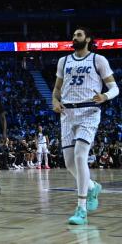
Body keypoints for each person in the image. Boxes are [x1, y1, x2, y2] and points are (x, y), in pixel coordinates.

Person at [52, 27, 117, 225]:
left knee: (81, 156)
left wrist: (105, 96)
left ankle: (81, 209)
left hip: (89, 111)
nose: (74, 37)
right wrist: (55, 101)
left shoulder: (98, 60)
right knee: (70, 163)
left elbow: (115, 87)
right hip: (67, 114)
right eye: (73, 35)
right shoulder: (63, 61)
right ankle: (91, 186)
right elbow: (56, 90)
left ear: (88, 39)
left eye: (78, 35)